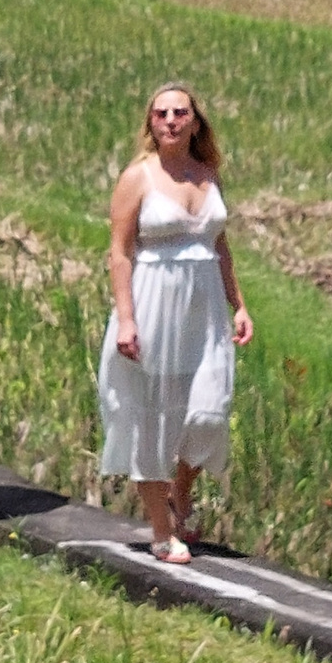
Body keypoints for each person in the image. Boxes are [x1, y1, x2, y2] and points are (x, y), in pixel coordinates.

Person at [100, 81, 252, 561]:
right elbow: (120, 253)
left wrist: (239, 304)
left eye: (179, 112)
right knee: (153, 415)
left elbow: (220, 247)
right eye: (161, 113)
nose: (170, 120)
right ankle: (163, 533)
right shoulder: (137, 177)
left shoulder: (209, 175)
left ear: (195, 121)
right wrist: (127, 320)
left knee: (209, 410)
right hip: (152, 301)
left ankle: (181, 489)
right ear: (150, 123)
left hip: (204, 307)